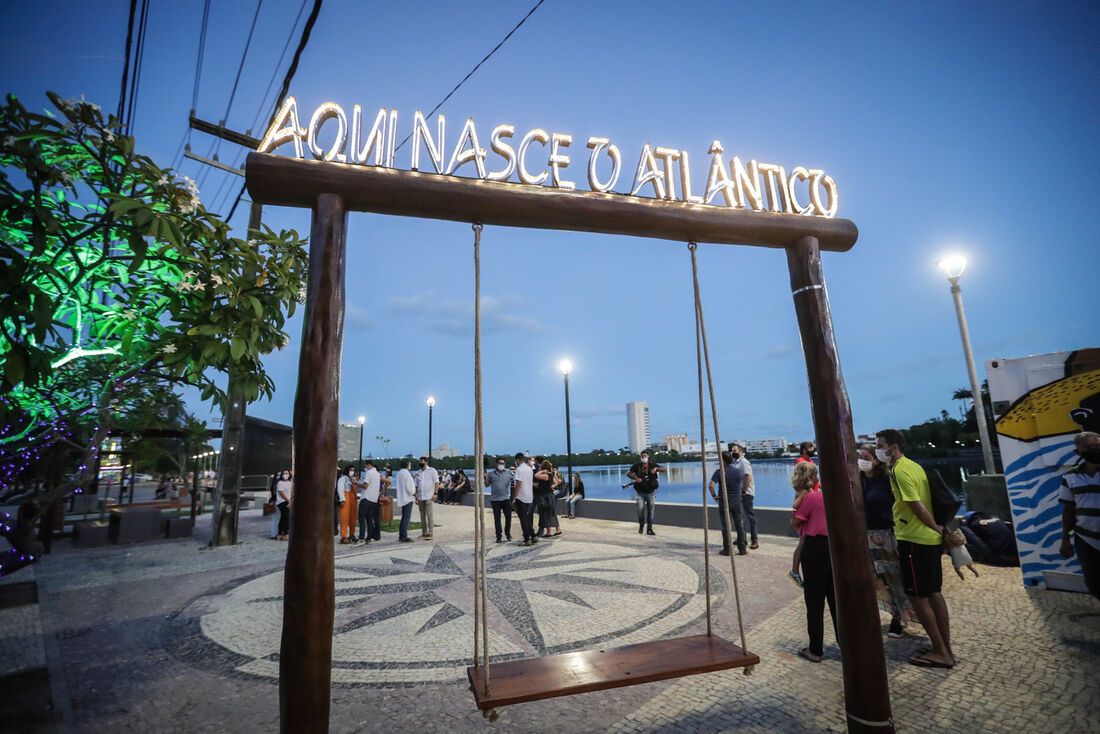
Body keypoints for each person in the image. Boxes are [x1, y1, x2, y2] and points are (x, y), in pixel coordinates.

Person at [877, 428, 954, 669]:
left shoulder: (899, 471)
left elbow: (916, 505)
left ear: (893, 447)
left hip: (914, 539)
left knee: (917, 595)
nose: (878, 449)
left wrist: (936, 527)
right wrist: (938, 531)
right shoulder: (915, 466)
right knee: (934, 592)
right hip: (926, 540)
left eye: (880, 445)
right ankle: (944, 647)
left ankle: (941, 651)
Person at [859, 444, 909, 637]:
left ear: (876, 460)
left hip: (887, 534)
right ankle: (892, 613)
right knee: (877, 578)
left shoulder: (887, 479)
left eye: (866, 456)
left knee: (894, 577)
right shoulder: (860, 480)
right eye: (860, 456)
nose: (862, 460)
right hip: (867, 534)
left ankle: (899, 617)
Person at [791, 460, 836, 663]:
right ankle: (846, 643)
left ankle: (815, 649)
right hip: (832, 549)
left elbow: (795, 523)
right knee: (836, 600)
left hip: (815, 548)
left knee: (815, 601)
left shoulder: (808, 499)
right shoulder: (827, 496)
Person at [1059, 430, 1100, 600]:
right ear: (1078, 451)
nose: (1095, 449)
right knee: (1093, 583)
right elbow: (1069, 510)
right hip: (1085, 539)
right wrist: (1065, 538)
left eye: (1098, 446)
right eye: (1089, 447)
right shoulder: (1070, 476)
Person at [709, 451, 747, 556]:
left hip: (724, 501)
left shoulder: (719, 472)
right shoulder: (738, 471)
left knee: (726, 526)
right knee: (739, 525)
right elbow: (744, 482)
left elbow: (711, 485)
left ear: (723, 460)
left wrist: (714, 496)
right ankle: (742, 548)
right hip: (737, 501)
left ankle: (727, 549)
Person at [788, 463, 816, 586]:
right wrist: (803, 496)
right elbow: (795, 505)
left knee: (802, 545)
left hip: (807, 522)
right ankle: (794, 570)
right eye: (815, 475)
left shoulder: (808, 490)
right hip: (804, 525)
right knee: (801, 545)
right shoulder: (802, 491)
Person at [628, 450, 666, 535]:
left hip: (651, 493)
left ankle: (649, 529)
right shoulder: (637, 466)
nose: (644, 457)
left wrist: (656, 469)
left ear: (648, 456)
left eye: (645, 456)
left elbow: (664, 469)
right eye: (642, 456)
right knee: (640, 510)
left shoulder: (652, 465)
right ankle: (641, 525)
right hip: (640, 493)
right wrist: (635, 478)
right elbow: (628, 473)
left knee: (650, 512)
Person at [732, 445, 758, 549]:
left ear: (740, 451)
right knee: (739, 517)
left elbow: (747, 477)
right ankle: (742, 538)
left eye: (735, 451)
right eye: (732, 451)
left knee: (750, 516)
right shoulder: (736, 462)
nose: (733, 452)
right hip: (738, 493)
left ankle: (754, 540)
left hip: (746, 493)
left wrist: (744, 490)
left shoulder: (744, 462)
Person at [357, 459, 387, 545]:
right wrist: (381, 492)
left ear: (369, 465)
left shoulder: (369, 473)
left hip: (366, 498)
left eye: (365, 466)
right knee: (370, 520)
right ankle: (369, 538)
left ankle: (361, 538)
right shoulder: (378, 474)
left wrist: (356, 483)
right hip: (373, 500)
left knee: (361, 519)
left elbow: (365, 486)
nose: (365, 467)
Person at [511, 452, 536, 545]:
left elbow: (518, 484)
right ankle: (533, 535)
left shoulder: (519, 470)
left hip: (521, 497)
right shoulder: (529, 469)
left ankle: (527, 538)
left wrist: (514, 498)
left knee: (523, 519)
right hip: (529, 496)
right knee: (526, 517)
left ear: (517, 460)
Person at [486, 458, 513, 542]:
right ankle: (498, 535)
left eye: (503, 463)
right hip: (495, 500)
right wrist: (484, 478)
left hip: (505, 499)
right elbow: (487, 485)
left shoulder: (508, 474)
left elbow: (516, 481)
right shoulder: (491, 474)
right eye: (500, 463)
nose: (502, 465)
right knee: (497, 518)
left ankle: (507, 533)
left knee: (508, 517)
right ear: (496, 464)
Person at [534, 459, 562, 537]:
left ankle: (549, 531)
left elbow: (536, 475)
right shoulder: (550, 475)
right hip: (550, 495)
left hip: (546, 496)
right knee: (551, 513)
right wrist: (550, 487)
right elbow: (556, 483)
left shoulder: (545, 475)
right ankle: (556, 530)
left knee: (546, 513)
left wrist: (542, 471)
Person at [394, 458, 417, 543]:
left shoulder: (399, 473)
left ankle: (401, 535)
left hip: (403, 498)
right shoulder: (406, 474)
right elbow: (410, 489)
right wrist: (415, 494)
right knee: (406, 518)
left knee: (404, 517)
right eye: (410, 464)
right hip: (407, 499)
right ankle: (404, 536)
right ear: (407, 465)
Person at [416, 456, 439, 539]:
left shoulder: (432, 471)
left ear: (426, 462)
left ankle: (430, 532)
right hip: (420, 497)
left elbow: (437, 483)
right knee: (422, 516)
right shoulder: (418, 472)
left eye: (422, 462)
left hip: (429, 496)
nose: (420, 463)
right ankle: (424, 532)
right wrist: (416, 496)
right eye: (420, 462)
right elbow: (416, 485)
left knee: (429, 515)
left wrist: (435, 493)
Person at [336, 465, 358, 544]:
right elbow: (340, 489)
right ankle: (344, 536)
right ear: (347, 470)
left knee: (353, 517)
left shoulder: (353, 479)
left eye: (353, 470)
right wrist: (342, 499)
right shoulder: (342, 479)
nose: (352, 471)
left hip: (352, 498)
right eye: (351, 470)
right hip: (345, 496)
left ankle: (352, 534)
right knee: (344, 517)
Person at [274, 470, 293, 541]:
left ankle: (280, 533)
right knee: (286, 516)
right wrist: (289, 501)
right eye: (284, 473)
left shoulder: (290, 483)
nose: (285, 475)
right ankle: (285, 532)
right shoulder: (280, 483)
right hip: (282, 502)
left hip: (288, 502)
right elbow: (281, 493)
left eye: (287, 473)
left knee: (284, 517)